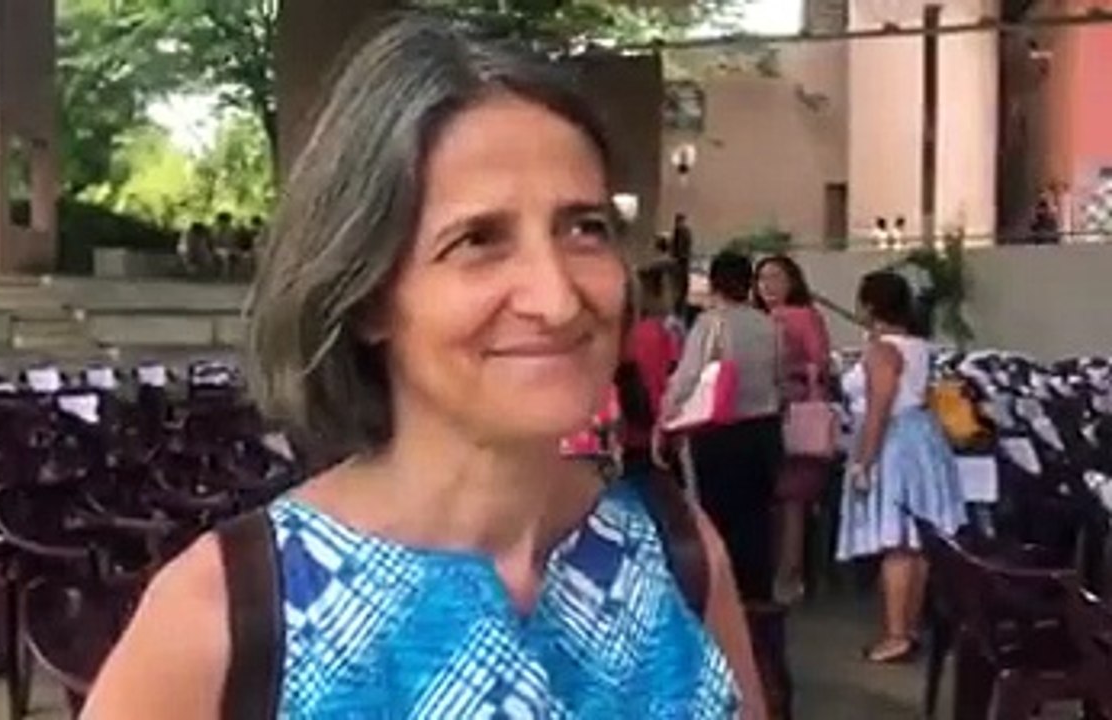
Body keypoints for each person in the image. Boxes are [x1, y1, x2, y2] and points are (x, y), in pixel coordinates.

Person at [84, 14, 764, 719]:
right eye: (478, 239)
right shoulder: (224, 618)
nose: (558, 300)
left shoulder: (674, 552)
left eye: (583, 228)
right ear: (368, 293)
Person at [836, 271, 966, 664]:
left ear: (870, 305)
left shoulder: (882, 350)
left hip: (895, 442)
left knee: (897, 542)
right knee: (917, 541)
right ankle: (908, 627)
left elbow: (880, 406)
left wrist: (864, 460)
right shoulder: (918, 346)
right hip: (924, 438)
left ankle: (896, 633)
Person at [657, 251, 785, 604]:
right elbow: (780, 378)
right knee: (757, 517)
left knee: (717, 517)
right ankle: (758, 594)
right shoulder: (768, 324)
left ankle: (722, 597)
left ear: (714, 282)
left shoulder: (711, 323)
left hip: (720, 432)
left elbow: (687, 377)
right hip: (764, 428)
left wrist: (665, 416)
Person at [755, 255, 832, 604]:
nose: (768, 286)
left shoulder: (803, 317)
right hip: (765, 412)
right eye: (762, 279)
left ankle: (790, 575)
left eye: (775, 277)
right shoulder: (758, 319)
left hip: (796, 413)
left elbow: (820, 363)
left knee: (792, 500)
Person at [620, 266, 683, 478]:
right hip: (650, 434)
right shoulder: (657, 332)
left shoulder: (621, 332)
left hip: (622, 434)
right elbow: (661, 382)